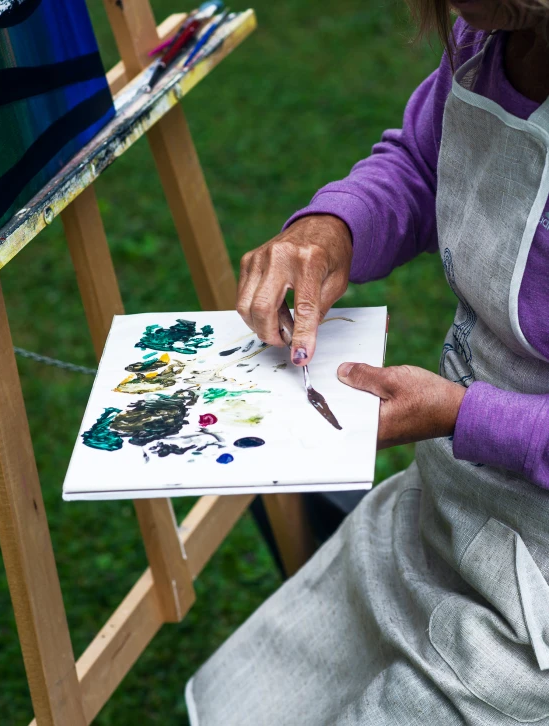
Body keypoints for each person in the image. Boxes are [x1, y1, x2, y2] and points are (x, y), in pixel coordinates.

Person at [186, 0, 549, 723]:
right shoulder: (489, 39)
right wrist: (331, 230)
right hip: (453, 499)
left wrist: (463, 412)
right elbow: (424, 163)